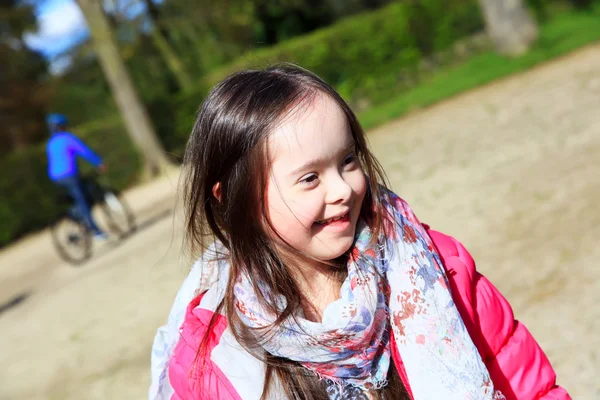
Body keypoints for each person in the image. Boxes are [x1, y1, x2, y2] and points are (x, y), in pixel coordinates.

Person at [149, 64, 570, 400]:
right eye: (310, 178)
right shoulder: (216, 358)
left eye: (348, 160)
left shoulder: (431, 269)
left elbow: (527, 385)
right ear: (230, 198)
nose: (343, 189)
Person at [46, 113, 107, 239]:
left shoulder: (50, 143)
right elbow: (84, 151)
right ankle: (95, 231)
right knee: (83, 200)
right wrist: (98, 162)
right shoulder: (67, 138)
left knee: (83, 193)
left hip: (56, 178)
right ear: (61, 126)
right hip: (69, 175)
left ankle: (75, 212)